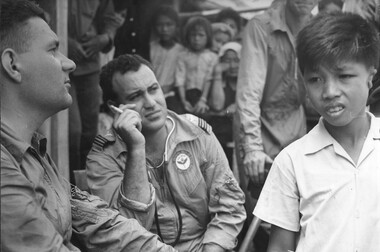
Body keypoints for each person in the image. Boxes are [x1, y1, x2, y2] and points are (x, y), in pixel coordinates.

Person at [0, 1, 177, 251]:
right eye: (52, 50)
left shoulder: (35, 152)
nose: (70, 63)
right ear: (13, 65)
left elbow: (100, 221)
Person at [86, 54, 246, 252]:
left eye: (154, 89)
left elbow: (229, 205)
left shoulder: (197, 133)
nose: (151, 103)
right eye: (135, 96)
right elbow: (125, 232)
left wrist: (213, 249)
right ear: (115, 108)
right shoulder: (103, 157)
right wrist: (136, 148)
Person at [254, 12, 380, 251]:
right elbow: (280, 247)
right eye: (315, 79)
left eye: (344, 76)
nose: (330, 91)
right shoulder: (292, 161)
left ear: (370, 77)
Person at [234, 0, 318, 250]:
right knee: (262, 217)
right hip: (259, 131)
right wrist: (252, 148)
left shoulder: (315, 28)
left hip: (296, 129)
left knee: (299, 215)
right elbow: (248, 94)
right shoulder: (260, 26)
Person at [67, 0, 122, 180]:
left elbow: (109, 18)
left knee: (90, 132)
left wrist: (105, 38)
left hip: (89, 66)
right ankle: (67, 182)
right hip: (60, 65)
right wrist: (62, 40)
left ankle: (86, 183)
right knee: (72, 132)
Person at [175, 16, 218, 116]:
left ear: (208, 37)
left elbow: (209, 78)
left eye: (201, 35)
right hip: (187, 95)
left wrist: (203, 100)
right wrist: (184, 100)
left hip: (206, 95)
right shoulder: (183, 56)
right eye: (193, 35)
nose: (196, 39)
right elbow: (180, 79)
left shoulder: (212, 57)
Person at [208, 42, 241, 166]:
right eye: (227, 61)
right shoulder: (220, 81)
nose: (232, 65)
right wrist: (217, 73)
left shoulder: (248, 82)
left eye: (236, 60)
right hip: (222, 136)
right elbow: (217, 105)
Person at [150, 5, 184, 114]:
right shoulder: (150, 48)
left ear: (176, 26)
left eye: (169, 25)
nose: (164, 29)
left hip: (172, 95)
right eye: (160, 25)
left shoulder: (181, 51)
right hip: (151, 94)